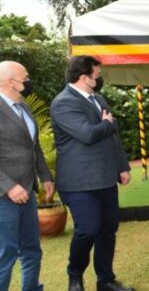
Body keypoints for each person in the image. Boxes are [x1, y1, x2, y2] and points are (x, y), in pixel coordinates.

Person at [50, 56, 134, 291]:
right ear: (83, 76)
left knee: (108, 230)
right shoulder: (63, 102)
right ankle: (74, 275)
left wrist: (122, 166)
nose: (100, 78)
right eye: (97, 74)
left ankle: (105, 280)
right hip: (79, 182)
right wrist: (107, 123)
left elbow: (112, 136)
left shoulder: (99, 99)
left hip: (106, 178)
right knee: (88, 229)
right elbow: (87, 134)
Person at [0, 61, 54, 291]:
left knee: (32, 249)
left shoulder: (24, 107)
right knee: (7, 252)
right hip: (4, 196)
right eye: (26, 77)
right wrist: (9, 187)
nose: (29, 80)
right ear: (10, 82)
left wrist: (46, 177)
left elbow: (35, 148)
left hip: (28, 191)